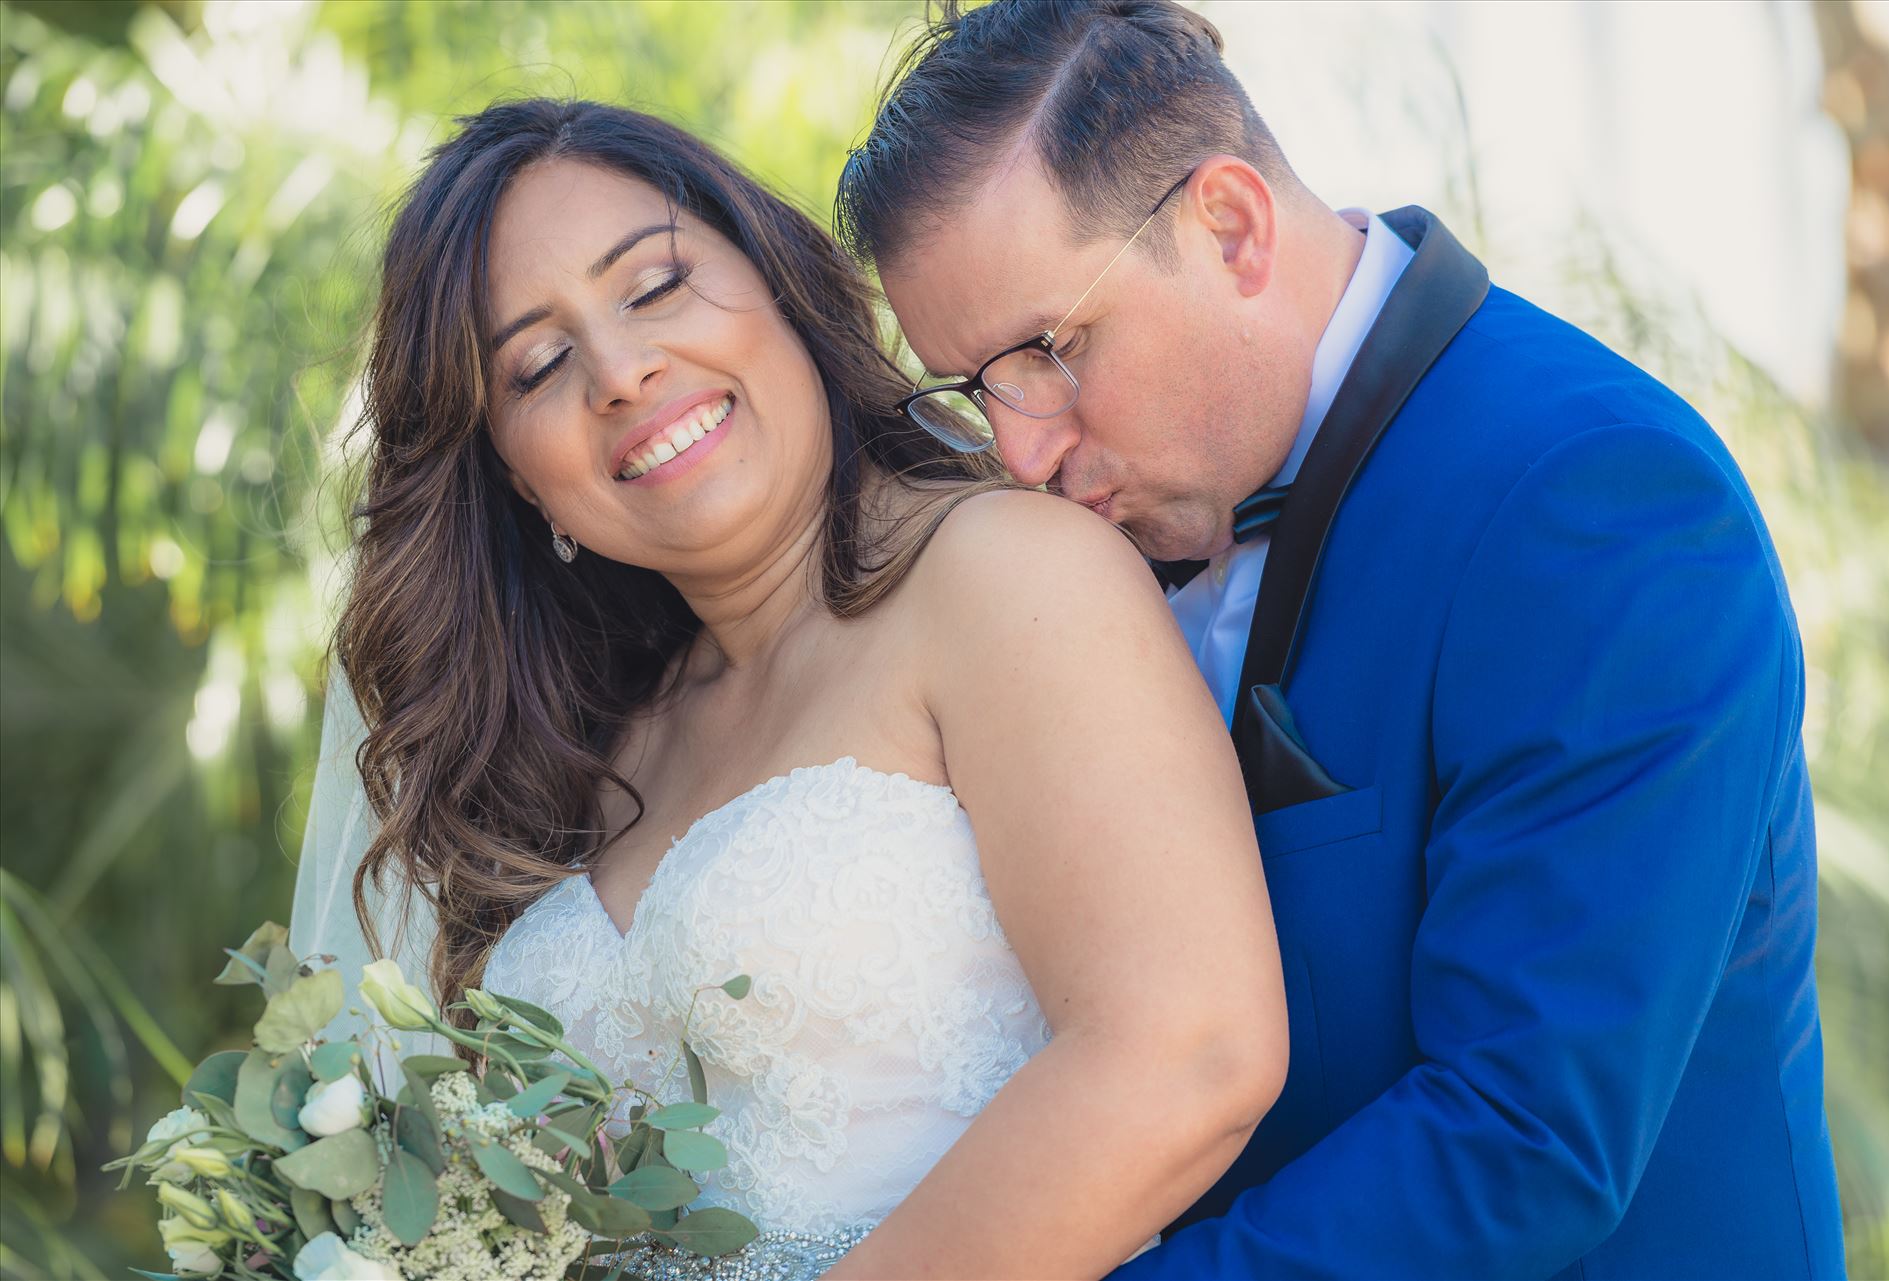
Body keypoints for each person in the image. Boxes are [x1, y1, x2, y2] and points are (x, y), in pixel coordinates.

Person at [837, 1, 1845, 1277]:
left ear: (1230, 226)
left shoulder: (1598, 500)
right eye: (977, 388)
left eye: (1050, 351)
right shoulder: (1077, 546)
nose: (1019, 452)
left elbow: (1524, 1136)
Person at [290, 97, 1287, 1280]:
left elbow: (1187, 1053)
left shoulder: (1001, 573)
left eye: (654, 287)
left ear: (776, 282)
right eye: (539, 364)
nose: (620, 371)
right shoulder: (592, 747)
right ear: (512, 478)